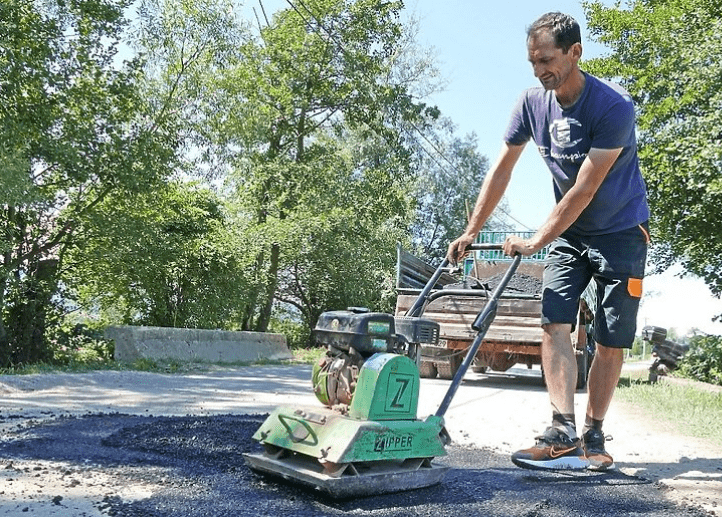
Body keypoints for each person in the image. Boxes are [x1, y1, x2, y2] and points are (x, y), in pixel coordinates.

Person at [447, 12, 650, 471]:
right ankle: (562, 430)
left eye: (546, 59)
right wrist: (472, 229)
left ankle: (594, 433)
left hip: (621, 232)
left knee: (609, 337)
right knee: (553, 321)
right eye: (532, 61)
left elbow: (584, 188)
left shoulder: (612, 106)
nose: (539, 71)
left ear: (575, 52)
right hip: (569, 234)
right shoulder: (531, 103)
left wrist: (536, 239)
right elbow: (502, 169)